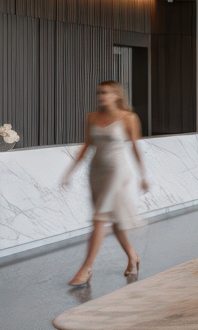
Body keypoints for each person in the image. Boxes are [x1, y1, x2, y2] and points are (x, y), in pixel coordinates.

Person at [61, 80, 150, 286]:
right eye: (99, 93)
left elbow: (135, 147)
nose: (101, 97)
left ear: (116, 95)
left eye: (105, 93)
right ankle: (133, 256)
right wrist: (70, 172)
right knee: (115, 220)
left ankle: (86, 268)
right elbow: (86, 146)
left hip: (117, 173)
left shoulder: (129, 118)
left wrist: (142, 175)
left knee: (99, 219)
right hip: (96, 172)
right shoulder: (91, 117)